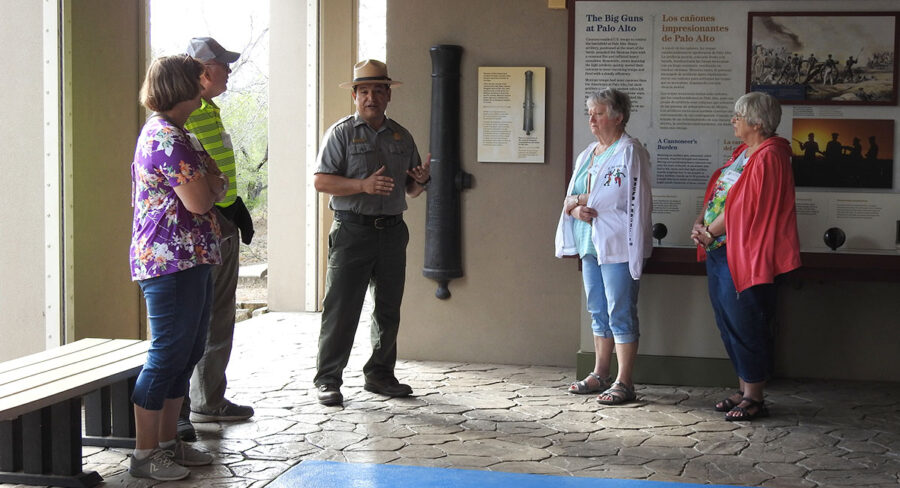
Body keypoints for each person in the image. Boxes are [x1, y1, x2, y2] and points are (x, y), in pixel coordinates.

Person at [129, 54, 228, 480]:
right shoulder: (167, 138)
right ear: (180, 86)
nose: (204, 81)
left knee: (186, 353)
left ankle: (169, 443)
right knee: (166, 354)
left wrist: (211, 181)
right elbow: (203, 199)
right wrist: (210, 182)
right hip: (169, 264)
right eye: (196, 76)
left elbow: (219, 183)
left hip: (193, 258)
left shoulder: (181, 134)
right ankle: (145, 454)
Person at [313, 59, 431, 406]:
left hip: (393, 231)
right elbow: (321, 181)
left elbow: (410, 190)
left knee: (388, 309)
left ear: (388, 95)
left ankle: (380, 374)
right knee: (341, 308)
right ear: (354, 95)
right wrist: (362, 184)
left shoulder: (401, 135)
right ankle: (328, 379)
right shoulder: (341, 133)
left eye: (378, 90)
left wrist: (421, 180)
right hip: (353, 231)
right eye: (364, 91)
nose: (371, 97)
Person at [691, 92, 801, 421]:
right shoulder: (744, 152)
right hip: (720, 248)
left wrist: (710, 230)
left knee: (745, 321)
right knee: (728, 321)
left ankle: (754, 396)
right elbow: (720, 192)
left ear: (756, 122)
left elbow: (746, 207)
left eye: (738, 116)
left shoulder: (770, 156)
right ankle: (744, 389)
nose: (733, 121)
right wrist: (702, 224)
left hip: (744, 253)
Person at [176, 37, 255, 442]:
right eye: (223, 65)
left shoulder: (206, 109)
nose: (228, 71)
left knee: (218, 313)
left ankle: (207, 399)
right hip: (205, 225)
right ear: (203, 71)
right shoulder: (183, 116)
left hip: (221, 219)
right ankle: (195, 405)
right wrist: (220, 208)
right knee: (204, 317)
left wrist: (234, 206)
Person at [554, 88, 653, 406]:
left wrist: (582, 200)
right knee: (597, 309)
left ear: (618, 116)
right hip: (589, 243)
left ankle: (625, 381)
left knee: (620, 310)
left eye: (598, 113)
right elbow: (569, 196)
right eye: (590, 113)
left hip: (618, 244)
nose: (591, 119)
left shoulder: (629, 151)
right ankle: (600, 373)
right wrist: (574, 207)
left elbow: (615, 197)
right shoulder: (588, 154)